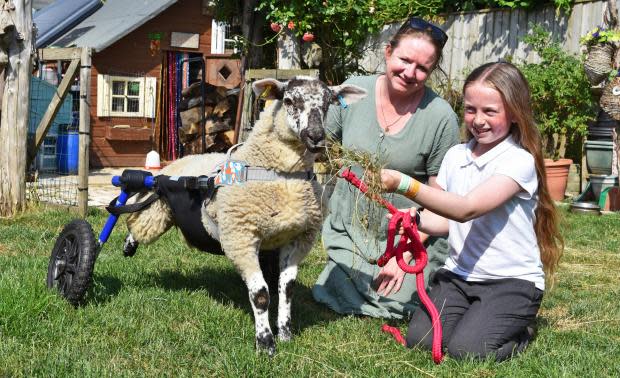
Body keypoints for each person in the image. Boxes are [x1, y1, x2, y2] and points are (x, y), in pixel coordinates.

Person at [380, 61, 563, 361]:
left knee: (468, 351)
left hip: (511, 283)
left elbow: (467, 209)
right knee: (422, 341)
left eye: (490, 111)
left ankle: (521, 333)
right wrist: (415, 220)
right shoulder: (456, 155)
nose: (478, 120)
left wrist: (405, 185)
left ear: (515, 113)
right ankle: (480, 320)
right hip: (458, 276)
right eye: (470, 109)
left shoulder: (518, 161)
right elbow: (445, 220)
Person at [312, 17, 460, 319]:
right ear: (388, 52)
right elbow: (320, 146)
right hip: (352, 228)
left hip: (407, 235)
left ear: (432, 71)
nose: (410, 72)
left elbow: (442, 203)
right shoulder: (353, 92)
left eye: (422, 68)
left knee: (396, 301)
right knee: (340, 286)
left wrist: (404, 254)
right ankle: (346, 268)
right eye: (405, 60)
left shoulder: (441, 117)